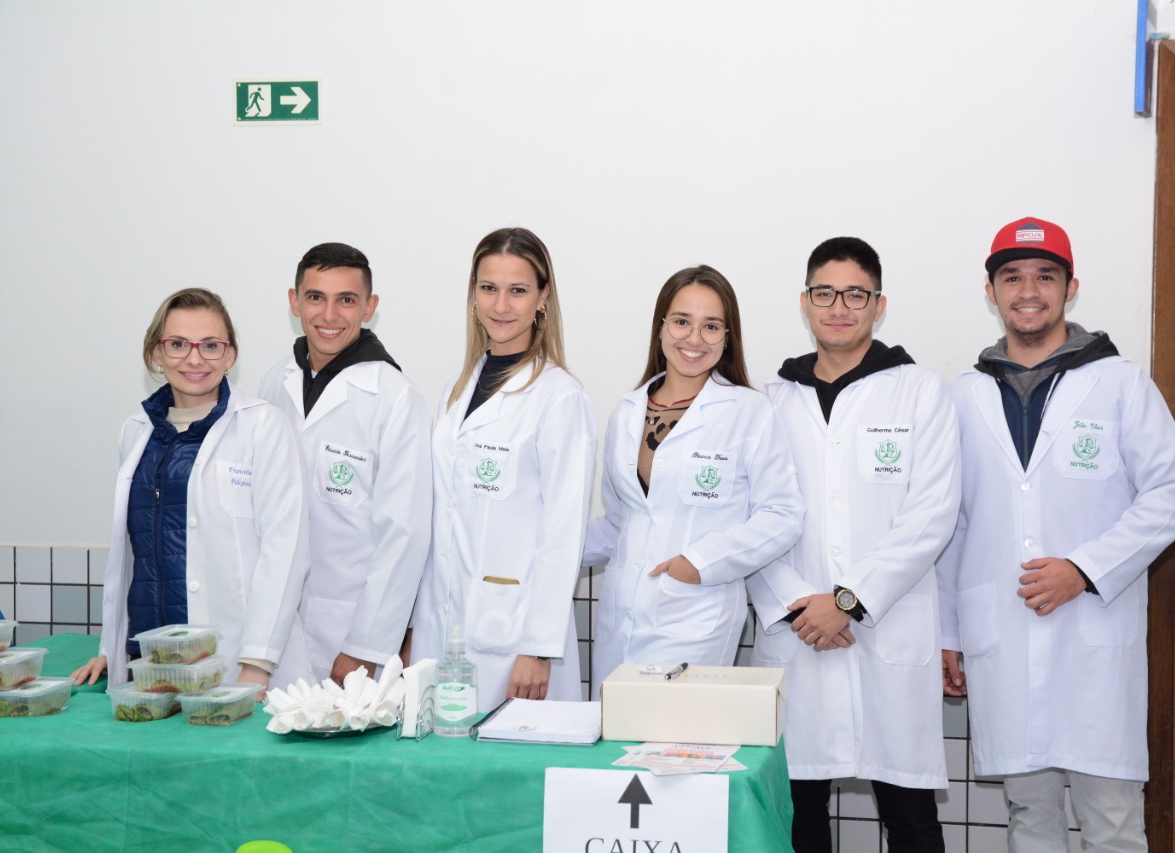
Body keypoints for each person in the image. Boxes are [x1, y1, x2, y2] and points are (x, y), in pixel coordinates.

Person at [936, 217, 1175, 852]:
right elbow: (951, 523)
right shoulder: (964, 396)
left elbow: (1172, 491)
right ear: (991, 291)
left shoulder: (1120, 382)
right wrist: (948, 633)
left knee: (1112, 821)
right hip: (1002, 632)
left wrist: (1083, 569)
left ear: (1070, 287)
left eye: (1045, 276)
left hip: (1092, 637)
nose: (1029, 291)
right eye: (1012, 277)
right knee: (1030, 814)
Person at [746, 237, 960, 853]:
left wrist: (847, 601)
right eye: (825, 293)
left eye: (855, 294)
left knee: (911, 818)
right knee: (798, 814)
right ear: (805, 302)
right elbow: (751, 521)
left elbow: (931, 515)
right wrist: (800, 604)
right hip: (799, 633)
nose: (838, 307)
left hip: (882, 629)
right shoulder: (768, 401)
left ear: (879, 304)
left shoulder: (920, 391)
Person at [73, 288, 309, 696]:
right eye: (178, 344)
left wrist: (257, 662)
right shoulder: (136, 432)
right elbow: (134, 553)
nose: (195, 359)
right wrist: (111, 646)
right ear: (156, 354)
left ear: (230, 355)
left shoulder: (263, 427)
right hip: (148, 663)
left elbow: (286, 551)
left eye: (211, 345)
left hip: (234, 663)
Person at [583, 265, 804, 693]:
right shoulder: (627, 412)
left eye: (711, 326)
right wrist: (543, 549)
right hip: (618, 618)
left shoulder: (749, 412)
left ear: (728, 337)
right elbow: (619, 523)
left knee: (674, 734)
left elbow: (783, 515)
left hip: (695, 619)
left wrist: (698, 563)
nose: (694, 338)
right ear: (661, 327)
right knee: (612, 732)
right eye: (682, 321)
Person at [411, 227, 595, 710]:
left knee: (510, 752)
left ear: (543, 298)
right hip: (443, 622)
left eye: (518, 290)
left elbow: (562, 533)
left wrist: (538, 647)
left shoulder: (560, 397)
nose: (501, 305)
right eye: (489, 288)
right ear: (473, 293)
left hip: (514, 638)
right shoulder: (457, 390)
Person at [259, 242, 431, 686]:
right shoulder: (274, 383)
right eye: (316, 297)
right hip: (272, 630)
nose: (329, 314)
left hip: (348, 632)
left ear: (369, 307)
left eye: (347, 300)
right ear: (294, 301)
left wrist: (366, 646)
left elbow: (404, 534)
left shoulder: (396, 398)